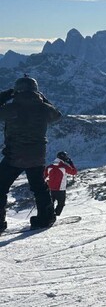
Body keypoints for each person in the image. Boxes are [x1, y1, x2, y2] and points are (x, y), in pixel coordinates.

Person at [0, 76, 62, 233]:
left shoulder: (11, 108)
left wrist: (5, 96)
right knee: (40, 188)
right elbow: (57, 115)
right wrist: (43, 98)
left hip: (14, 156)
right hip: (37, 157)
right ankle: (46, 218)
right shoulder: (43, 108)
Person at [45, 151, 77, 216]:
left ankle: (49, 215)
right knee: (61, 204)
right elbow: (74, 172)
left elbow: (45, 177)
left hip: (50, 189)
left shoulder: (49, 167)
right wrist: (71, 164)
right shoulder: (64, 167)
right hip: (60, 189)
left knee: (50, 204)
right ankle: (55, 215)